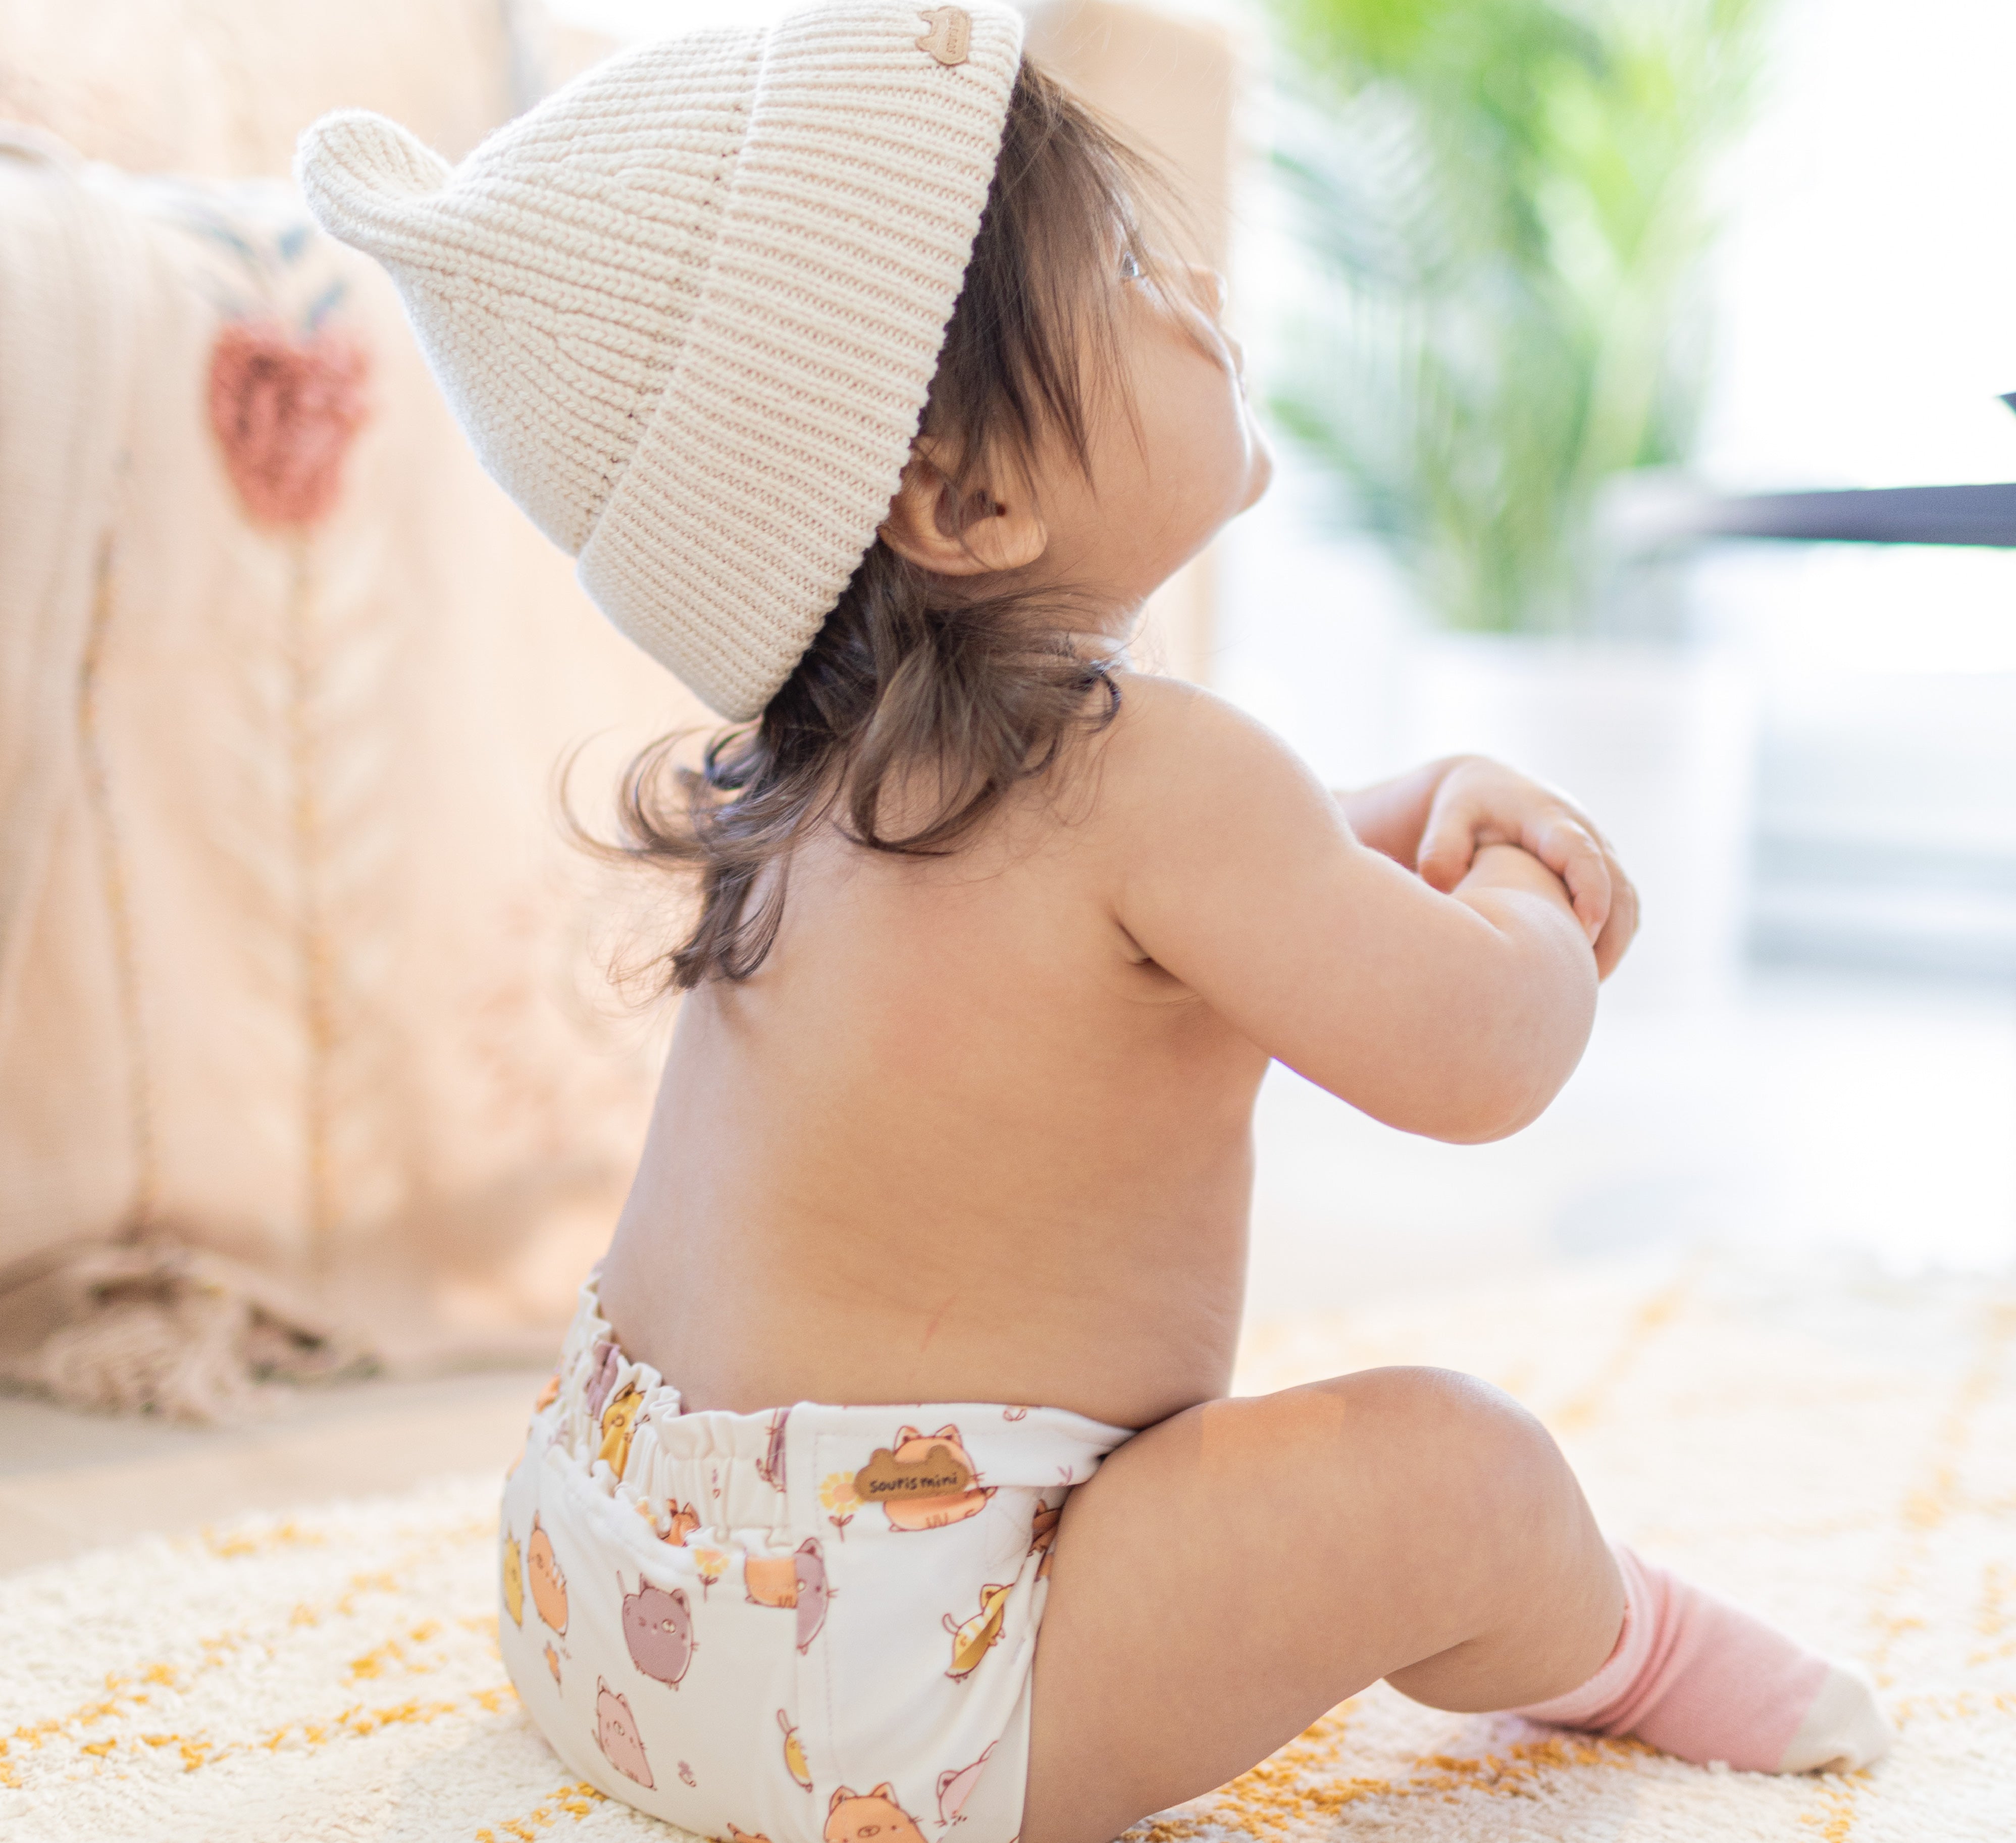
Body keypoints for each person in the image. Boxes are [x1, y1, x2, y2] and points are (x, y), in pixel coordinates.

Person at [297, 7, 1891, 1839]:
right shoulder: (1156, 774)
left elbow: (1188, 909)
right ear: (966, 496)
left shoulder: (814, 786)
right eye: (1131, 267)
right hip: (907, 1679)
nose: (1196, 283)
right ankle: (1612, 1637)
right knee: (1459, 1469)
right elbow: (1481, 1054)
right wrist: (1530, 876)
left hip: (599, 1595)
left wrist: (1405, 813)